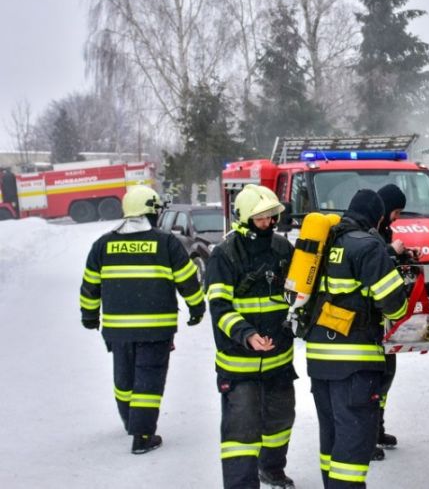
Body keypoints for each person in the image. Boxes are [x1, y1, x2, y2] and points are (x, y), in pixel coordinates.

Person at [79, 185, 205, 455]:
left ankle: (130, 421)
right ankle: (143, 434)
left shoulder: (103, 244)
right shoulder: (166, 242)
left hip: (117, 331)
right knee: (148, 380)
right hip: (155, 329)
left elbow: (90, 286)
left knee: (124, 380)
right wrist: (197, 309)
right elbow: (188, 280)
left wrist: (89, 316)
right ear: (151, 211)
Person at [306, 189, 408, 488]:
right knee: (354, 439)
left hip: (319, 357)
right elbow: (395, 304)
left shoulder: (324, 243)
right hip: (354, 361)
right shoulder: (368, 246)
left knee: (333, 434)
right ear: (377, 218)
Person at [206, 184, 296, 489]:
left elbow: (297, 293)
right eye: (262, 218)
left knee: (280, 423)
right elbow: (219, 308)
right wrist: (247, 335)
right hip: (239, 362)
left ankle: (271, 469)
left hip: (279, 359)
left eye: (272, 217)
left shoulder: (283, 249)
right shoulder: (224, 255)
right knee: (240, 435)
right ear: (244, 219)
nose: (269, 223)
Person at [370, 183, 409, 460]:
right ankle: (366, 436)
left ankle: (376, 428)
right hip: (367, 322)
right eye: (396, 212)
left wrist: (404, 256)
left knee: (386, 374)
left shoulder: (383, 232)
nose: (397, 218)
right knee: (371, 381)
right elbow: (371, 266)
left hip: (382, 321)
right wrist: (393, 253)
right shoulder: (366, 234)